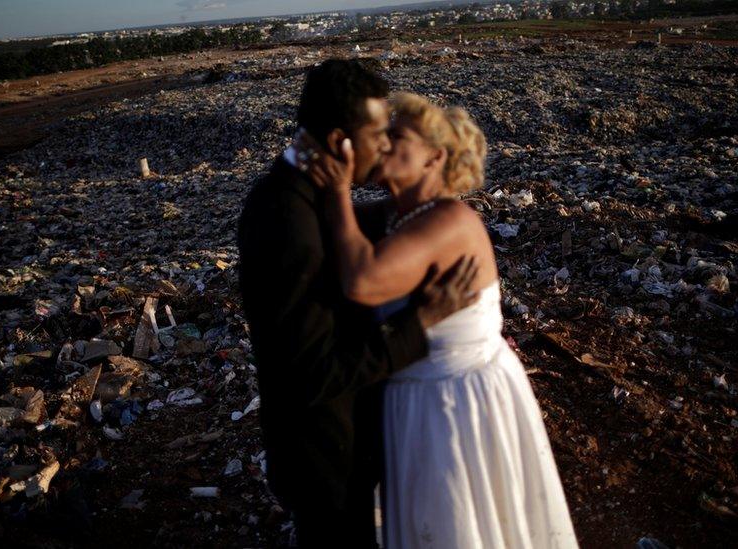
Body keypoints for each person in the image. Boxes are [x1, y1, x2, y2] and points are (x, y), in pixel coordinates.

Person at [305, 91, 579, 548]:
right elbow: (331, 226)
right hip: (419, 399)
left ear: (436, 157)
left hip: (454, 405)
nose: (384, 143)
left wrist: (336, 188)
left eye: (398, 136)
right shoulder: (399, 214)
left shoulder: (448, 219)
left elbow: (363, 280)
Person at [237, 60, 479, 548]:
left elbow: (354, 228)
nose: (385, 146)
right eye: (377, 135)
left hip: (340, 447)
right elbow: (312, 372)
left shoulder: (304, 196)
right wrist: (423, 323)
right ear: (338, 141)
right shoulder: (288, 222)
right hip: (324, 458)